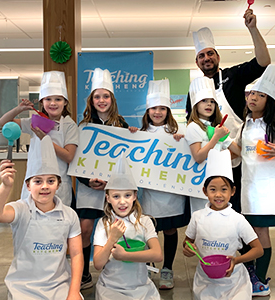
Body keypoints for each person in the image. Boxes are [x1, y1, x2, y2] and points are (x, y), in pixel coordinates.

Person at [186, 8, 271, 213]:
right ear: (197, 62)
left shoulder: (234, 76)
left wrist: (253, 29)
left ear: (218, 56)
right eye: (201, 56)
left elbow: (263, 62)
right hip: (211, 163)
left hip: (240, 158)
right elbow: (192, 126)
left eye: (210, 53)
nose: (206, 58)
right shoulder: (193, 92)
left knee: (242, 211)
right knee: (213, 212)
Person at [0, 135, 83, 300]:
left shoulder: (69, 215)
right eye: (37, 181)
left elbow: (77, 254)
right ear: (28, 186)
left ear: (58, 184)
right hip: (23, 287)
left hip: (59, 286)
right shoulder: (21, 209)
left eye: (50, 181)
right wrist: (6, 186)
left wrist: (73, 291)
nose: (44, 186)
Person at [234, 64, 275, 297]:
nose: (253, 98)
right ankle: (251, 272)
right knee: (248, 232)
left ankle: (260, 280)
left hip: (267, 188)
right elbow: (239, 151)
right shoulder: (245, 124)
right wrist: (216, 140)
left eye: (260, 95)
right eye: (251, 94)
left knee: (261, 232)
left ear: (269, 101)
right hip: (248, 186)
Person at [183, 149, 263, 300]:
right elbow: (187, 242)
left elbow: (258, 250)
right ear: (205, 191)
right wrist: (188, 249)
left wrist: (236, 260)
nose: (218, 195)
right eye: (213, 189)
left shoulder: (238, 219)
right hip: (204, 280)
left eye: (224, 189)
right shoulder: (197, 217)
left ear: (232, 191)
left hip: (233, 281)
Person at [76, 68, 130, 289]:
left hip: (114, 189)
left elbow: (129, 160)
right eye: (97, 96)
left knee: (117, 227)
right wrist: (88, 181)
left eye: (105, 96)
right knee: (86, 228)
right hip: (89, 188)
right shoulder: (83, 127)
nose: (101, 100)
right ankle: (84, 273)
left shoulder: (123, 126)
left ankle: (119, 269)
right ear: (91, 100)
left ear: (112, 99)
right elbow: (76, 160)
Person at [0, 71, 78, 207]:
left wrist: (45, 139)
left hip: (58, 184)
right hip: (34, 181)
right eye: (48, 99)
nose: (53, 103)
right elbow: (2, 122)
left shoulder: (70, 125)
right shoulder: (35, 122)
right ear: (42, 102)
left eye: (58, 99)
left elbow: (69, 156)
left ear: (65, 102)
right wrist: (19, 109)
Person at [139, 79, 188, 290]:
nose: (157, 112)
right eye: (153, 108)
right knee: (149, 231)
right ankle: (148, 268)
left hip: (172, 194)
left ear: (168, 111)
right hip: (149, 194)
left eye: (162, 108)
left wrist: (182, 140)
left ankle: (167, 268)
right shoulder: (139, 134)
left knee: (170, 230)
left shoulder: (178, 134)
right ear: (147, 111)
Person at [93, 153, 163, 300]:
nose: (122, 202)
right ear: (108, 198)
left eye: (127, 195)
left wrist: (125, 256)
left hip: (141, 287)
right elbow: (98, 264)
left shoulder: (144, 221)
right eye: (116, 196)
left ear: (135, 196)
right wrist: (112, 238)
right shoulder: (104, 224)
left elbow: (157, 255)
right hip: (110, 288)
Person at [185, 76, 241, 213]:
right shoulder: (193, 127)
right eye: (203, 101)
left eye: (212, 102)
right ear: (195, 105)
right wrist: (216, 138)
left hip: (218, 183)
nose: (208, 104)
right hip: (199, 183)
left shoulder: (214, 127)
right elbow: (198, 157)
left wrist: (225, 138)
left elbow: (239, 152)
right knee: (204, 222)